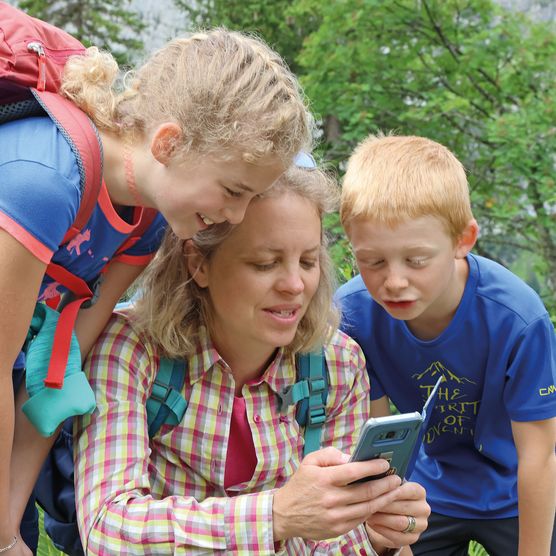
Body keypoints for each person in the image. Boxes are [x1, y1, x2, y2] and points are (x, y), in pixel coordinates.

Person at [1, 27, 313, 554]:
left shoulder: (147, 218)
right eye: (233, 191)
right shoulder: (44, 183)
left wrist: (7, 527)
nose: (235, 217)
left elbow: (54, 374)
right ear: (167, 143)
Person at [73, 164, 430, 555]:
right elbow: (106, 529)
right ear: (199, 263)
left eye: (308, 262)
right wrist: (276, 515)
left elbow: (330, 544)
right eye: (265, 263)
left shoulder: (338, 364)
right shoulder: (132, 347)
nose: (295, 285)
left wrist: (376, 536)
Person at [335, 134, 556, 556]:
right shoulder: (353, 316)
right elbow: (372, 449)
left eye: (417, 260)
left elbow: (540, 457)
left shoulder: (518, 319)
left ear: (463, 240)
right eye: (372, 260)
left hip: (517, 489)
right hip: (426, 489)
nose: (394, 281)